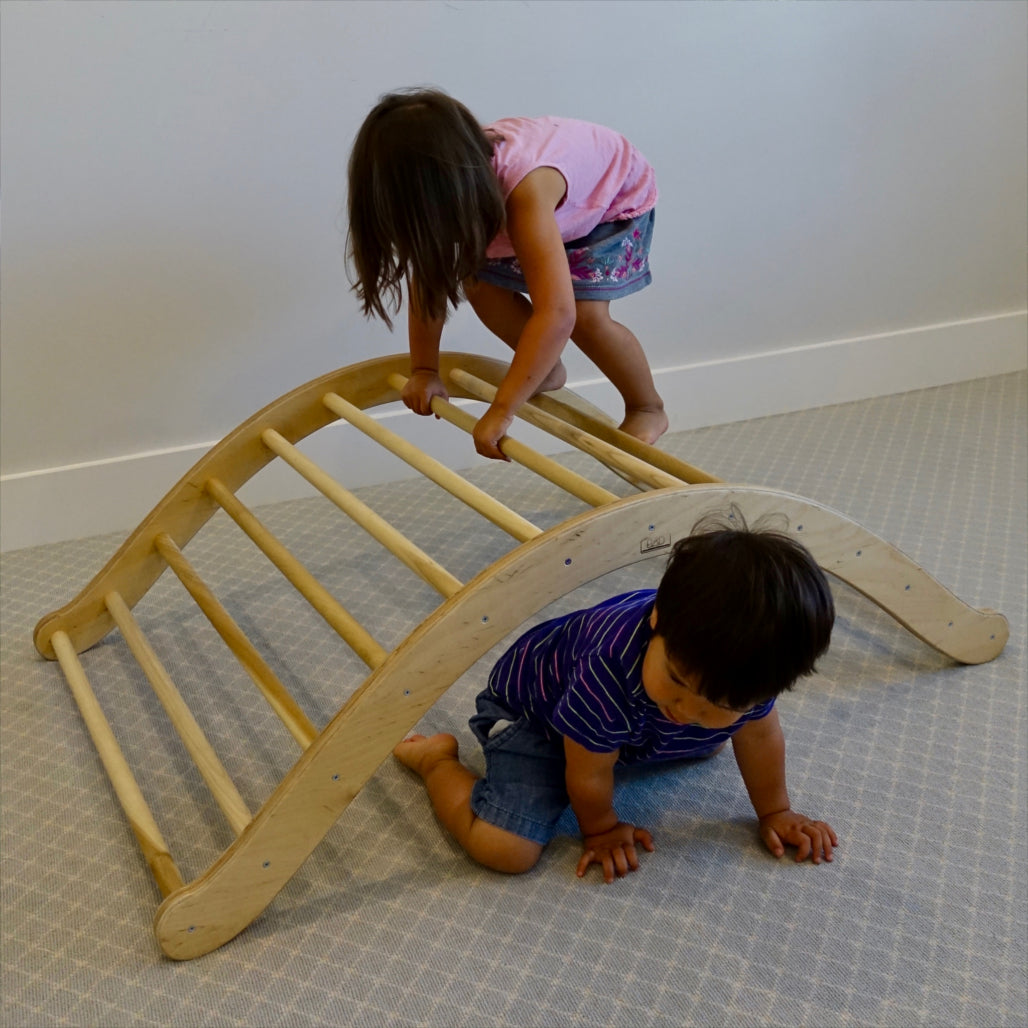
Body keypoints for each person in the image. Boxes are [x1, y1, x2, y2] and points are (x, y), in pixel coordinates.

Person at [394, 516, 839, 883]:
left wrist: (776, 810)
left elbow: (761, 736)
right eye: (677, 681)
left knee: (717, 736)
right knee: (505, 849)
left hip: (623, 718)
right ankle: (436, 760)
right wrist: (602, 828)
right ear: (657, 619)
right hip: (539, 717)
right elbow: (588, 772)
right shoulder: (605, 667)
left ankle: (682, 709)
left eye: (716, 703)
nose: (685, 710)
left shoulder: (754, 669)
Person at [347, 88, 668, 461]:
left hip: (607, 200)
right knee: (477, 280)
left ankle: (646, 407)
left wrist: (502, 411)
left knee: (584, 316)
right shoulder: (451, 185)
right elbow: (430, 276)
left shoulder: (525, 190)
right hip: (522, 204)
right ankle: (547, 371)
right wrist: (422, 368)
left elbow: (557, 314)